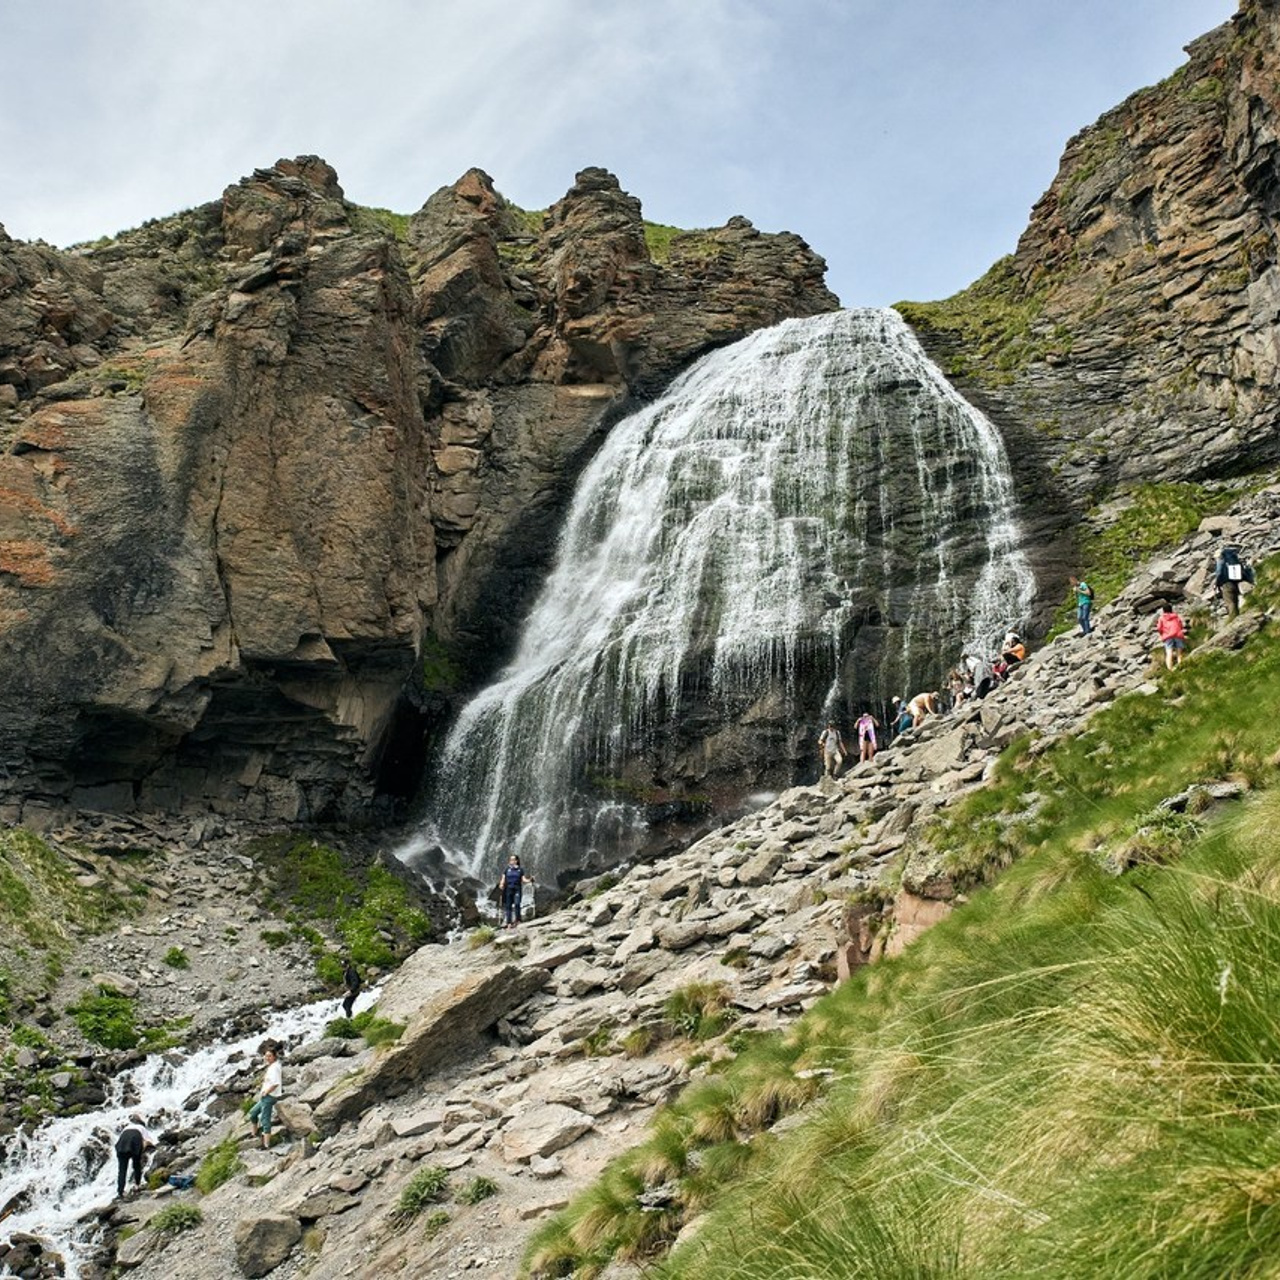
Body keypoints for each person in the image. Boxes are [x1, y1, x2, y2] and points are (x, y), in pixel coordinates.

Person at [248, 1045, 283, 1149]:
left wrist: (266, 1092)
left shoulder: (275, 1068)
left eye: (270, 1056)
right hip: (266, 1096)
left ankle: (266, 1144)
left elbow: (276, 1083)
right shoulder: (273, 1066)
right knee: (253, 1113)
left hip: (269, 1096)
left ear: (274, 1057)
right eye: (266, 1056)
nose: (267, 1058)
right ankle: (254, 1134)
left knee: (265, 1119)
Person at [114, 1116, 155, 1199]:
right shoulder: (142, 1128)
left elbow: (120, 1139)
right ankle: (137, 1185)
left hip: (121, 1145)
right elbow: (148, 1141)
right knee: (136, 1165)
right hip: (134, 1142)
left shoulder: (126, 1128)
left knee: (122, 1170)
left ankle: (120, 1191)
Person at [1212, 543, 1253, 619]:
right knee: (1235, 600)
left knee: (1230, 601)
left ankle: (1233, 618)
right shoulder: (1233, 559)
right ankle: (1237, 615)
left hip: (1226, 583)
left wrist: (1216, 583)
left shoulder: (1220, 560)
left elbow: (1219, 572)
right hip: (1235, 581)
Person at [497, 854, 534, 928]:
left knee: (517, 904)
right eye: (510, 860)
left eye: (513, 860)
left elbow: (523, 880)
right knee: (508, 906)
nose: (511, 861)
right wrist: (501, 884)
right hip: (508, 889)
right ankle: (509, 923)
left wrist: (530, 880)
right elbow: (503, 878)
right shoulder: (507, 869)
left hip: (517, 889)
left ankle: (518, 920)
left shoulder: (520, 870)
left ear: (517, 861)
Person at [1156, 602, 1186, 669]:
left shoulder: (1161, 618)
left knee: (1169, 653)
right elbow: (1180, 625)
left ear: (1163, 610)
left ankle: (1170, 669)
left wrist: (1162, 634)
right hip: (1178, 635)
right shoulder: (1176, 616)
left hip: (1168, 636)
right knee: (1179, 653)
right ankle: (1181, 667)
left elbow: (1159, 628)